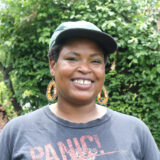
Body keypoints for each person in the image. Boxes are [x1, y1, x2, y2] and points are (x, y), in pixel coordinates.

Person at [0, 21, 159, 160]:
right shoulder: (16, 132)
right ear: (52, 65)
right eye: (72, 59)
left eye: (95, 61)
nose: (84, 69)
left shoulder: (135, 131)